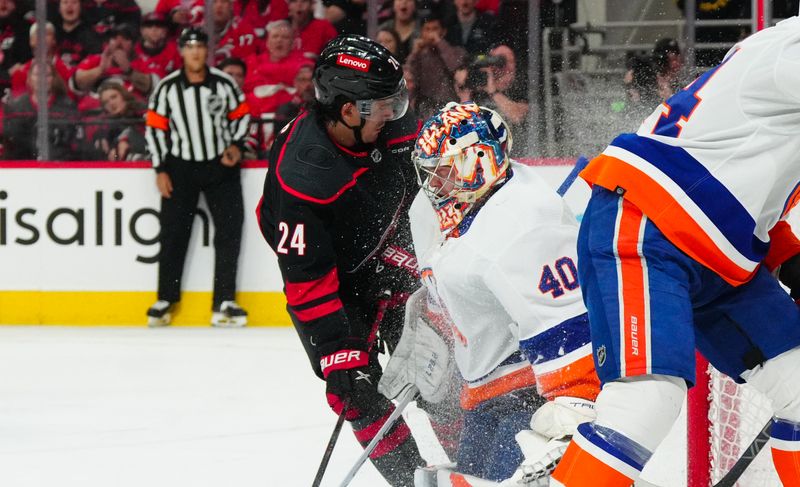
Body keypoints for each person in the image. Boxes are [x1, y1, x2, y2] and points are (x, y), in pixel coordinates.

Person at [551, 17, 800, 486]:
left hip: (720, 255)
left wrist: (789, 255)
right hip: (648, 226)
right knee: (645, 400)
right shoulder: (792, 47)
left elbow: (748, 180)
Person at [385, 102, 600, 484]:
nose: (434, 185)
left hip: (531, 391)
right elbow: (463, 274)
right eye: (430, 174)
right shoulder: (458, 202)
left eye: (444, 173)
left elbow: (566, 316)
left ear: (479, 160)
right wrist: (435, 317)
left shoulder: (522, 222)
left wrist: (575, 399)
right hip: (484, 391)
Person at [257, 35, 431, 486]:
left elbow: (425, 194)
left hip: (394, 257)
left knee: (444, 372)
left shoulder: (392, 124)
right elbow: (308, 281)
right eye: (383, 105)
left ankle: (479, 472)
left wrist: (413, 259)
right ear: (348, 110)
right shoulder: (303, 174)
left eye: (398, 101)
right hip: (336, 281)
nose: (395, 113)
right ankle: (413, 482)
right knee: (355, 394)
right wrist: (339, 353)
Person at [144, 27, 251, 328]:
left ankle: (225, 301)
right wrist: (160, 168)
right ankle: (166, 298)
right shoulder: (166, 88)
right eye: (189, 46)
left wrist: (235, 145)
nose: (195, 52)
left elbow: (242, 116)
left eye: (200, 46)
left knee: (230, 232)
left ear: (207, 51)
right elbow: (155, 129)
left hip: (220, 167)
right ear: (181, 51)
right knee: (173, 234)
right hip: (180, 167)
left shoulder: (224, 84)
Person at [3, 63, 80, 160]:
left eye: (47, 75)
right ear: (30, 78)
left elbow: (74, 144)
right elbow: (11, 144)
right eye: (38, 75)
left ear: (53, 79)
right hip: (22, 167)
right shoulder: (16, 108)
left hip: (59, 167)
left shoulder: (68, 106)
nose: (42, 79)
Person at [404, 13, 466, 119]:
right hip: (425, 108)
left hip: (451, 106)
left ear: (443, 31)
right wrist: (414, 53)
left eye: (435, 29)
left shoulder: (456, 51)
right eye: (427, 29)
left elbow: (455, 67)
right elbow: (409, 78)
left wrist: (439, 43)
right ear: (422, 33)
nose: (431, 33)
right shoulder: (419, 55)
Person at [87, 80, 147, 161]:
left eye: (114, 97)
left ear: (123, 96)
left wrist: (125, 139)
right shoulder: (106, 125)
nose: (111, 103)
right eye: (106, 102)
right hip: (119, 165)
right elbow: (112, 153)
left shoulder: (141, 111)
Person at [53, 0, 102, 72]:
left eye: (74, 2)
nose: (69, 5)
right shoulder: (52, 32)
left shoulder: (90, 34)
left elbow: (95, 62)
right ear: (59, 8)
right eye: (65, 2)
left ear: (80, 8)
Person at [134, 12, 182, 80]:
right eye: (149, 26)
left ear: (166, 30)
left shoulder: (175, 50)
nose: (154, 29)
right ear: (141, 30)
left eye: (159, 25)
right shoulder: (133, 50)